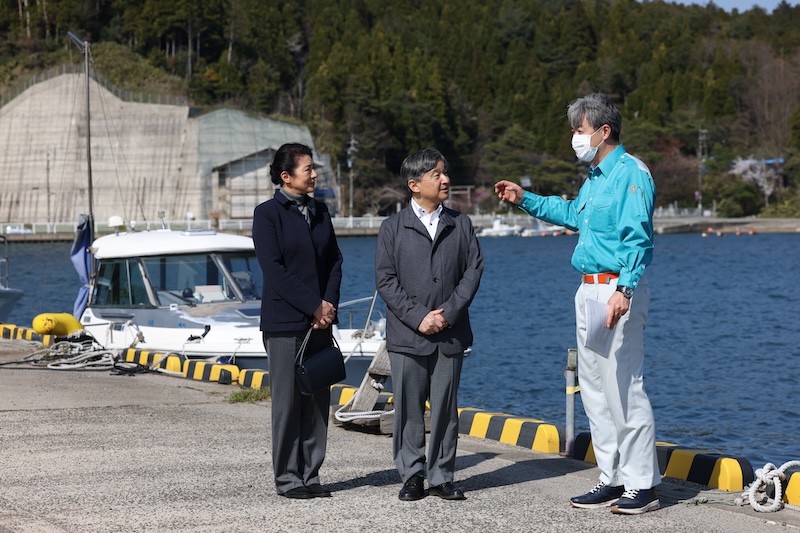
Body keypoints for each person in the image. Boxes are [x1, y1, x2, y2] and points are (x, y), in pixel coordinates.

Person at [495, 93, 660, 515]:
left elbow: (638, 238)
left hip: (615, 291)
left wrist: (625, 290)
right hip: (588, 289)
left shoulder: (630, 174)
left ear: (604, 131)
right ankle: (613, 476)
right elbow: (573, 214)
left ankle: (643, 484)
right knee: (595, 389)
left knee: (624, 385)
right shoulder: (596, 177)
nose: (574, 138)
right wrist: (525, 199)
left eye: (579, 130)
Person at [375, 148, 484, 502]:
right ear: (414, 184)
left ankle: (441, 475)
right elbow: (386, 280)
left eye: (445, 173)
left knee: (445, 409)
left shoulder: (461, 223)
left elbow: (473, 271)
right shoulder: (392, 228)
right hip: (408, 335)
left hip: (450, 333)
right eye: (437, 174)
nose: (446, 179)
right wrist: (419, 316)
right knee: (408, 408)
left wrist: (447, 313)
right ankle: (412, 475)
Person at [252, 142, 343, 499]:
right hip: (285, 323)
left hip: (320, 322)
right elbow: (273, 269)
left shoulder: (320, 211)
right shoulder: (267, 214)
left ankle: (311, 474)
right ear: (286, 176)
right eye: (308, 170)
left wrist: (329, 304)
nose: (315, 175)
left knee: (318, 401)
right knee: (288, 404)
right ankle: (289, 479)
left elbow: (334, 261)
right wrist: (313, 306)